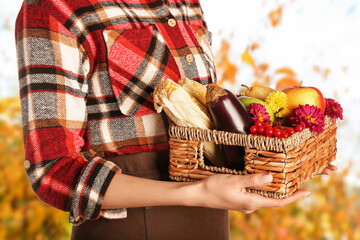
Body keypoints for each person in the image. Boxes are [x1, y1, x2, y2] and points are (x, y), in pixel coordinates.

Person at [15, 0, 337, 239]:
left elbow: (209, 127)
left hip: (209, 224)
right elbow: (53, 170)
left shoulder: (184, 4)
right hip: (129, 229)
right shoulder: (53, 8)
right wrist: (194, 194)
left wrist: (282, 158)